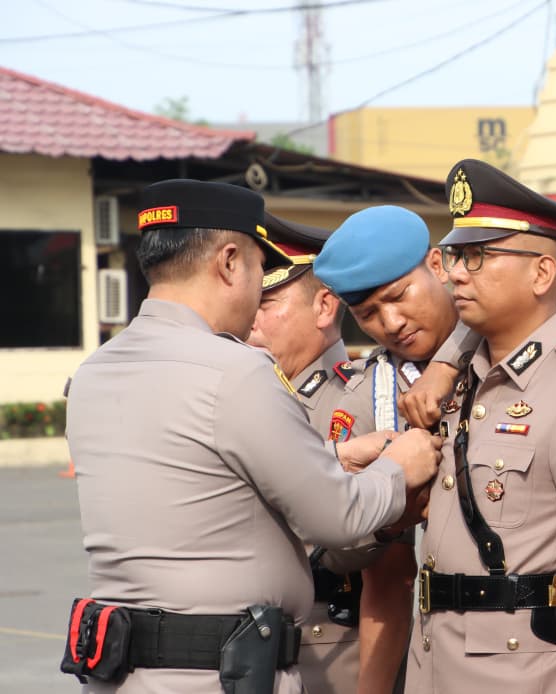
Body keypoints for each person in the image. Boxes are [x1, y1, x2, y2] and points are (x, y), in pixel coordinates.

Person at [61, 179, 440, 693]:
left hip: (122, 671)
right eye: (262, 271)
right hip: (218, 673)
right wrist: (402, 466)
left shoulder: (94, 373)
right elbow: (338, 517)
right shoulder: (236, 372)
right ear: (230, 262)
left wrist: (336, 455)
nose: (258, 291)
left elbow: (199, 478)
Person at [401, 159, 556, 694]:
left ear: (542, 273)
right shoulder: (460, 378)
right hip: (434, 662)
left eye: (478, 257)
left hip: (522, 670)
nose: (457, 273)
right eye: (456, 255)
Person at [247, 212, 415, 694]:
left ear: (324, 307)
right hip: (256, 643)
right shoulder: (253, 401)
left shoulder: (365, 399)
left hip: (332, 644)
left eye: (267, 302)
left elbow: (392, 573)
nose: (249, 320)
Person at [311, 205, 462, 693]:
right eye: (367, 314)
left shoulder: (504, 358)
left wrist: (449, 363)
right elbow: (385, 577)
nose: (391, 323)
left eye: (398, 297)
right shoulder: (371, 396)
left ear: (438, 266)